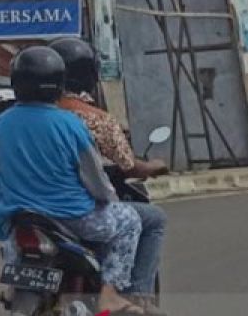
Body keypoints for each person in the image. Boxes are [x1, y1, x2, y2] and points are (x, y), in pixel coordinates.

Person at [0, 45, 145, 315]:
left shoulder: (2, 122)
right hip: (74, 218)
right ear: (59, 84)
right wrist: (109, 198)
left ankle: (15, 285)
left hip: (22, 216)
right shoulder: (69, 124)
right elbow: (95, 178)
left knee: (13, 239)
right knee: (130, 220)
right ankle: (109, 295)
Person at [50, 36, 168, 313]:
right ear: (89, 75)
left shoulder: (29, 116)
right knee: (153, 219)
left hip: (34, 207)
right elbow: (125, 165)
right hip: (77, 207)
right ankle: (135, 296)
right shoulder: (95, 119)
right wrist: (152, 166)